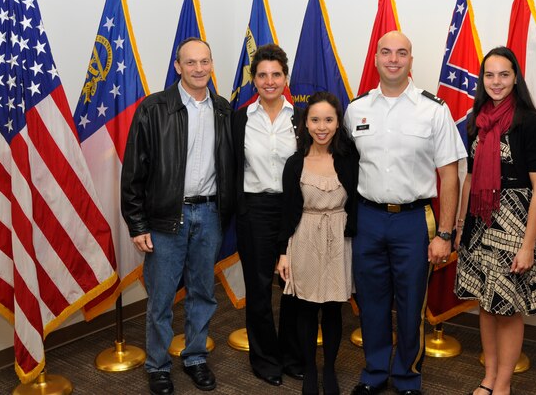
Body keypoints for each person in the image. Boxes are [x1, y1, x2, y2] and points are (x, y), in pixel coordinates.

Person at [344, 31, 467, 395]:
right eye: (386, 52)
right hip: (368, 218)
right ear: (376, 58)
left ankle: (408, 375)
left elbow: (450, 175)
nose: (393, 59)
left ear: (411, 60)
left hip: (414, 220)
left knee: (412, 302)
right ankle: (375, 372)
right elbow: (346, 168)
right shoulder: (357, 109)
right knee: (371, 300)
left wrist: (444, 234)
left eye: (401, 53)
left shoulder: (433, 109)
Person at [121, 37, 235, 395]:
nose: (199, 69)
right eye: (191, 63)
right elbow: (134, 171)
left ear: (211, 64)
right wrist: (137, 224)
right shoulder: (154, 109)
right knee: (161, 297)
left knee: (203, 292)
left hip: (210, 215)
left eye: (205, 62)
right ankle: (158, 365)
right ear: (177, 66)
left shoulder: (223, 110)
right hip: (167, 218)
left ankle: (196, 357)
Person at [455, 46, 536, 395]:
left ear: (516, 78)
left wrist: (528, 246)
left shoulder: (530, 123)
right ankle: (489, 377)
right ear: (482, 79)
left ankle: (504, 385)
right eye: (489, 75)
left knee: (507, 308)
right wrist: (460, 225)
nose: (496, 82)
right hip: (479, 221)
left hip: (514, 223)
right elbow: (469, 177)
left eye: (504, 74)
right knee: (485, 302)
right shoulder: (475, 120)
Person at [277, 91, 360, 395]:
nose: (321, 126)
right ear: (306, 123)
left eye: (328, 119)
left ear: (338, 123)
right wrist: (283, 252)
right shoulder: (294, 163)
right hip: (304, 236)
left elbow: (358, 202)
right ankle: (310, 369)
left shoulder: (350, 159)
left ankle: (330, 370)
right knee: (307, 309)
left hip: (340, 237)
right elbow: (287, 211)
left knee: (333, 309)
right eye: (315, 120)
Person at [233, 44, 303, 386]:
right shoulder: (240, 118)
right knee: (259, 288)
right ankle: (264, 358)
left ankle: (291, 356)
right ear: (253, 79)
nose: (270, 81)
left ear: (286, 78)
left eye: (276, 74)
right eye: (262, 74)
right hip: (255, 210)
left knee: (293, 285)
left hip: (295, 209)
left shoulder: (302, 117)